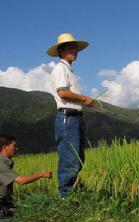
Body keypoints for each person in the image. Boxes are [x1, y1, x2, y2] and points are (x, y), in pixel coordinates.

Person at [47, 33, 94, 198]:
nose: (74, 50)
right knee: (70, 160)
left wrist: (83, 101)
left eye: (75, 48)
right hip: (68, 118)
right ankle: (65, 198)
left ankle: (72, 194)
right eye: (70, 48)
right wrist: (84, 98)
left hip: (75, 118)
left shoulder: (69, 70)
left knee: (78, 158)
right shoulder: (60, 68)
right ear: (61, 51)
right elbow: (63, 93)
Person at [0, 134, 52, 217]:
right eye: (13, 146)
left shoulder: (5, 161)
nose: (16, 148)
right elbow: (21, 180)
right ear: (5, 147)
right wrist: (42, 174)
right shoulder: (1, 163)